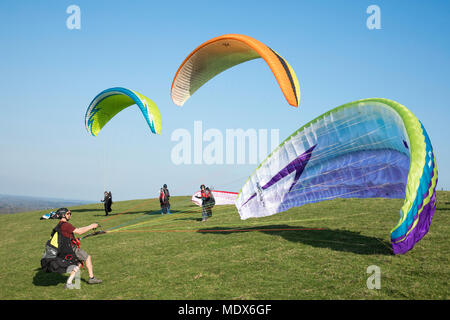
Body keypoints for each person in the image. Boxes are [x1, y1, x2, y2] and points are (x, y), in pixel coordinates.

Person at [55, 208, 102, 288]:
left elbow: (66, 235)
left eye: (70, 213)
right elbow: (79, 231)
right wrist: (92, 226)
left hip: (65, 248)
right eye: (68, 213)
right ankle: (92, 278)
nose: (70, 215)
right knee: (87, 257)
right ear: (63, 215)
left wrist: (73, 239)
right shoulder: (66, 225)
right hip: (71, 248)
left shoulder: (60, 224)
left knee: (78, 264)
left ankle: (68, 283)